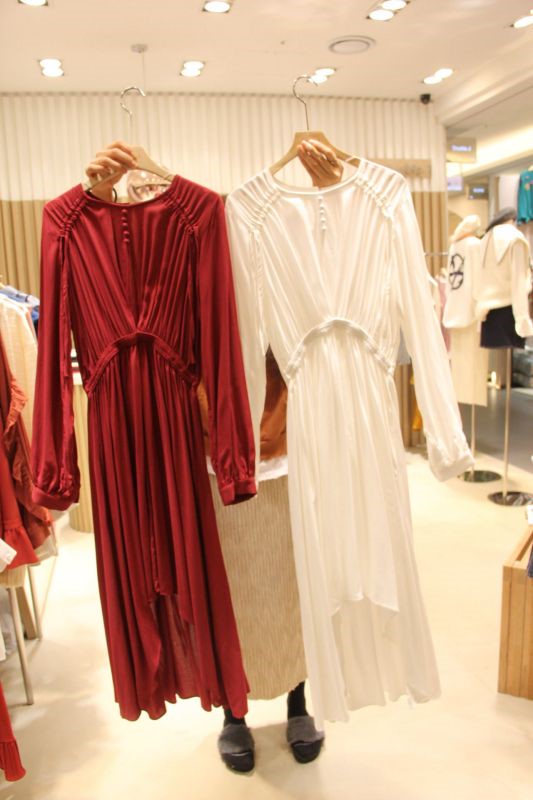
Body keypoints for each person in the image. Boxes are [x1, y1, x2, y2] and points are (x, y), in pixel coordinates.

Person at [84, 139, 346, 773]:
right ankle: (233, 709)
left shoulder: (230, 219)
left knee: (291, 575)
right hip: (200, 434)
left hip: (280, 422)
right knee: (225, 580)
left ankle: (298, 697)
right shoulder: (157, 234)